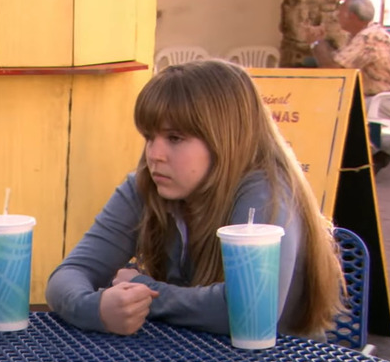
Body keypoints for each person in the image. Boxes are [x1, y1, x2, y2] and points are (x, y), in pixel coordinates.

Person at [45, 60, 345, 339]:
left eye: (175, 138)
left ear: (225, 138)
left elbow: (246, 310)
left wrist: (145, 290)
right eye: (149, 137)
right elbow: (68, 275)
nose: (154, 155)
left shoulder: (266, 193)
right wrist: (96, 309)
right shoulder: (146, 186)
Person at [309, 0, 390, 172]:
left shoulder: (368, 38)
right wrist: (320, 44)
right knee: (341, 103)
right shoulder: (364, 35)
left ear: (353, 16)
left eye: (340, 11)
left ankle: (366, 157)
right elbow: (337, 64)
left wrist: (317, 42)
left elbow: (333, 70)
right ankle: (370, 154)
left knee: (336, 107)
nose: (336, 15)